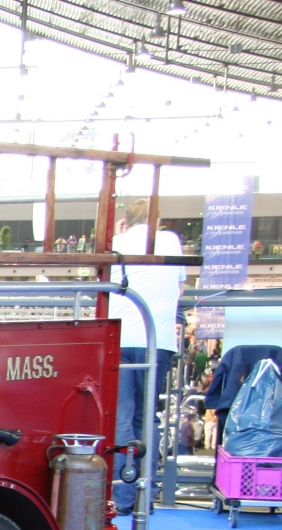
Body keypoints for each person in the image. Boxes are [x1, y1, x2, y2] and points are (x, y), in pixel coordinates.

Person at [109, 198, 186, 513]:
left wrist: (117, 233)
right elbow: (180, 288)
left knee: (121, 418)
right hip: (158, 337)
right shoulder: (170, 241)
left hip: (121, 335)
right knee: (147, 417)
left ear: (126, 221)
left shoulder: (116, 242)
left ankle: (121, 496)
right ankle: (145, 495)